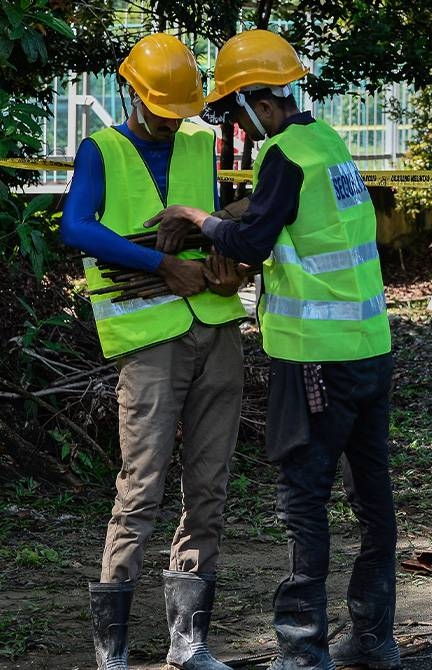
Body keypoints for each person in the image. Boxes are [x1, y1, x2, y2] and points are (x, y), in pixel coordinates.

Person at [144, 30, 400, 670]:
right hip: (371, 349)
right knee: (373, 496)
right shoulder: (328, 144)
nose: (237, 123)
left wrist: (196, 219)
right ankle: (373, 638)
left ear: (259, 98)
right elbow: (285, 218)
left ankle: (301, 649)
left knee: (303, 501)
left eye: (235, 109)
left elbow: (255, 238)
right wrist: (230, 217)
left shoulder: (284, 152)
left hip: (314, 357)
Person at [59, 34, 247, 670]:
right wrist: (160, 264)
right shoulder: (102, 149)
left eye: (180, 111)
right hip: (149, 343)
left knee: (210, 487)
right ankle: (111, 650)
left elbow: (218, 222)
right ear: (132, 95)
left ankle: (187, 644)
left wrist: (228, 267)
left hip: (217, 327)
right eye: (163, 110)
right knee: (140, 487)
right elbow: (76, 227)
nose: (173, 122)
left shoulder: (199, 141)